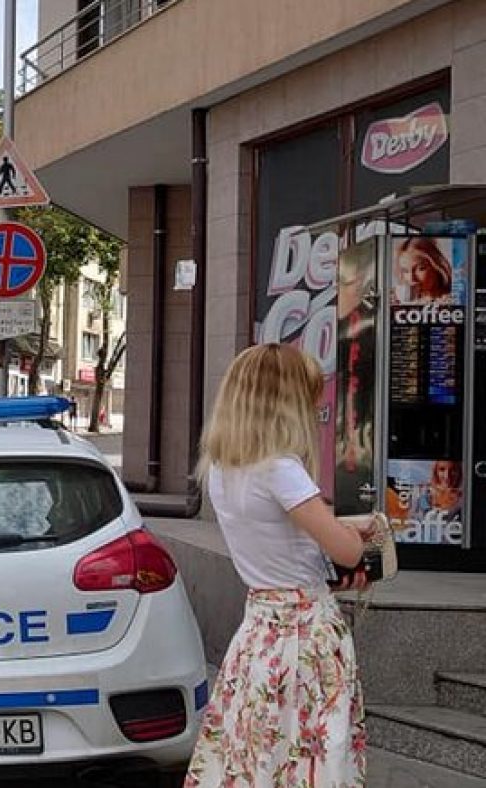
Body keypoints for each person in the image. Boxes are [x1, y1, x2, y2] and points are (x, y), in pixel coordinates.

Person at [186, 343, 373, 787]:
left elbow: (281, 541)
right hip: (305, 634)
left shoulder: (222, 468)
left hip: (259, 630)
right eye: (308, 396)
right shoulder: (281, 469)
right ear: (286, 402)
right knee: (311, 758)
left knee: (257, 755)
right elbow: (347, 553)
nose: (314, 409)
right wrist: (363, 532)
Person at [392, 237, 453, 304]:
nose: (411, 278)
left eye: (420, 268)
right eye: (405, 271)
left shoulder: (452, 300)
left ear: (436, 267)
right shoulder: (401, 298)